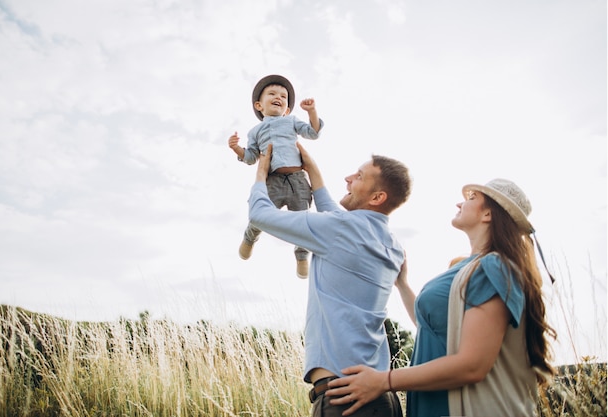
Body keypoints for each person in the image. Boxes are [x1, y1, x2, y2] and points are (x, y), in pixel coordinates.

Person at [325, 178, 557, 417]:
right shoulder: (468, 267)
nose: (459, 203)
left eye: (471, 198)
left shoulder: (494, 268)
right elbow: (434, 328)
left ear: (488, 214)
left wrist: (384, 381)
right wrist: (403, 284)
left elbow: (472, 366)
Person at [249, 142, 411, 417]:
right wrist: (312, 168)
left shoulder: (340, 230)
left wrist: (261, 173)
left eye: (359, 176)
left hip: (344, 399)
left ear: (377, 197)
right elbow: (332, 213)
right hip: (384, 399)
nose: (348, 179)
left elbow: (260, 215)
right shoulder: (392, 245)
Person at [228, 74, 323, 278]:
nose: (278, 97)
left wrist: (312, 112)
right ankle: (250, 238)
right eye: (271, 94)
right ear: (259, 105)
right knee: (261, 213)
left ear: (287, 109)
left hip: (297, 180)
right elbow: (251, 157)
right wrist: (237, 149)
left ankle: (301, 256)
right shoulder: (255, 132)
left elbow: (313, 133)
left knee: (302, 220)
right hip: (273, 180)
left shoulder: (291, 121)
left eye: (283, 96)